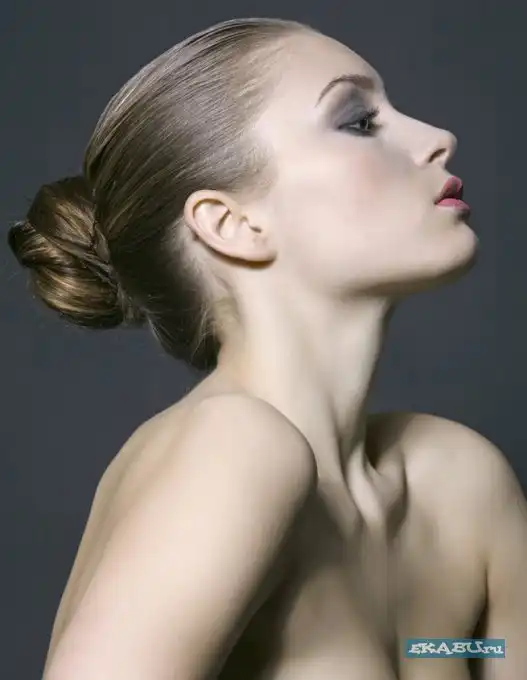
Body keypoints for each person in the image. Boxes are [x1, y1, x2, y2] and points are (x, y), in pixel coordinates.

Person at [9, 16, 527, 680]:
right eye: (359, 122)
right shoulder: (235, 450)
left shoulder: (458, 483)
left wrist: (445, 649)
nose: (438, 138)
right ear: (233, 224)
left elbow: (483, 656)